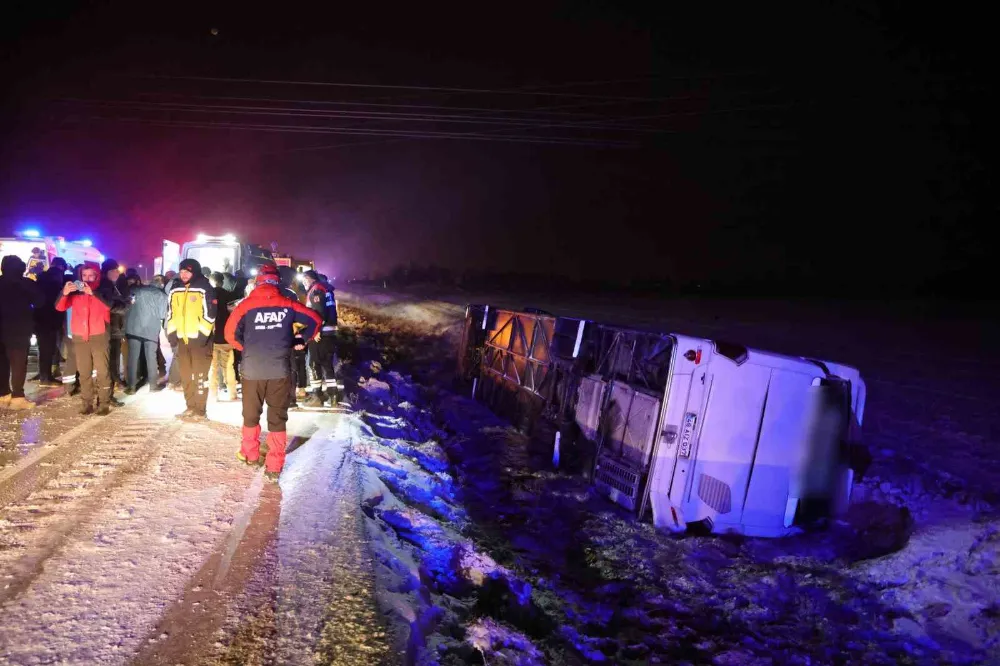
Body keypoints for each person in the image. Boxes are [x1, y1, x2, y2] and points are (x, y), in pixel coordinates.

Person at [225, 267, 321, 480]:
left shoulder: (246, 306)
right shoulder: (287, 304)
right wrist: (300, 339)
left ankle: (250, 455)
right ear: (277, 283)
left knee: (250, 414)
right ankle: (274, 467)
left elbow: (229, 334)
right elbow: (315, 319)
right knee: (277, 418)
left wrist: (246, 347)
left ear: (258, 282)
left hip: (252, 370)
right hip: (280, 370)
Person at [55, 263, 114, 415]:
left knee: (102, 371)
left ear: (97, 276)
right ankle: (86, 402)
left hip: (99, 335)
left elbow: (109, 306)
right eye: (84, 276)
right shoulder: (76, 292)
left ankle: (104, 403)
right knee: (84, 371)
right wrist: (65, 292)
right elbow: (60, 307)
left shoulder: (104, 290)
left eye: (91, 275)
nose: (87, 279)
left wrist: (93, 293)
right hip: (80, 336)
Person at [165, 258, 216, 420]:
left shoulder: (205, 288)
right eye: (181, 272)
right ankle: (190, 406)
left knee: (200, 376)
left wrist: (202, 336)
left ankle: (200, 410)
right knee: (186, 376)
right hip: (182, 340)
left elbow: (210, 315)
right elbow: (171, 313)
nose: (184, 274)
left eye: (187, 271)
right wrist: (172, 334)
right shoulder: (175, 289)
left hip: (201, 342)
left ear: (194, 271)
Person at [0, 255, 43, 410]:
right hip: (19, 329)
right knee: (18, 363)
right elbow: (40, 302)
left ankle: (3, 394)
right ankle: (18, 397)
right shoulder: (26, 283)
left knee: (2, 362)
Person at [124, 271, 168, 394]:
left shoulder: (137, 291)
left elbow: (128, 306)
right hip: (151, 329)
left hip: (133, 328)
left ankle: (131, 386)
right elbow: (161, 314)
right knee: (151, 357)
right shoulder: (162, 296)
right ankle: (153, 386)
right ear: (162, 284)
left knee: (133, 357)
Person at [301, 270, 339, 407]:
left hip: (321, 333)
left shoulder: (316, 290)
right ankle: (333, 395)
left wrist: (315, 331)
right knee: (327, 365)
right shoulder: (326, 289)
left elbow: (319, 313)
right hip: (329, 332)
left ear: (309, 278)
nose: (303, 283)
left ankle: (316, 396)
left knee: (313, 364)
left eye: (304, 280)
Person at [32, 257, 69, 387]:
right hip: (51, 319)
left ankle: (42, 374)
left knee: (42, 348)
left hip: (38, 318)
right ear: (62, 267)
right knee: (49, 349)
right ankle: (46, 377)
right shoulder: (57, 277)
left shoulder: (42, 276)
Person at [98, 259, 129, 404]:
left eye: (117, 270)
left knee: (113, 359)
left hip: (114, 327)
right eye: (113, 270)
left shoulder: (112, 285)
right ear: (106, 272)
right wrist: (126, 305)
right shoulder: (105, 286)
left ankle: (110, 388)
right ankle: (107, 395)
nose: (116, 273)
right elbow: (108, 306)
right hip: (109, 328)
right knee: (110, 360)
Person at [208, 272, 238, 401]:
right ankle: (232, 393)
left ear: (212, 281)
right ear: (222, 281)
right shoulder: (230, 295)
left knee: (213, 367)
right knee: (229, 366)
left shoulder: (208, 295)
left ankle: (213, 394)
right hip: (227, 337)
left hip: (212, 337)